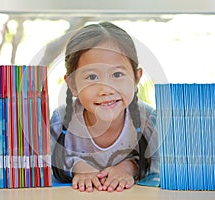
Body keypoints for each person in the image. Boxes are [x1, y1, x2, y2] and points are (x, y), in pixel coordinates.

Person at [50, 21, 159, 192]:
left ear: (136, 78)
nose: (106, 89)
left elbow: (161, 171)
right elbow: (45, 166)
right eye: (92, 77)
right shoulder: (62, 120)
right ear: (72, 85)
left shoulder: (149, 120)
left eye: (117, 74)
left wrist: (130, 167)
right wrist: (78, 167)